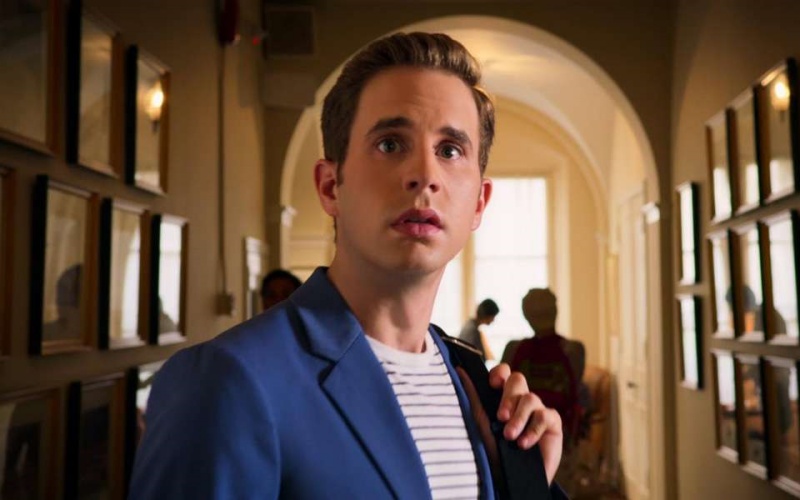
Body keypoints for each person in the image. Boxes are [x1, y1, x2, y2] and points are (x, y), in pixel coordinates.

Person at [129, 32, 564, 499]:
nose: (425, 175)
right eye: (391, 144)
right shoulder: (226, 380)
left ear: (479, 202)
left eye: (450, 150)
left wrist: (528, 485)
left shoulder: (477, 383)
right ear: (330, 186)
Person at [502, 288, 587, 445]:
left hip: (523, 429)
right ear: (555, 312)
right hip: (549, 430)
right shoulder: (574, 350)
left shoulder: (514, 349)